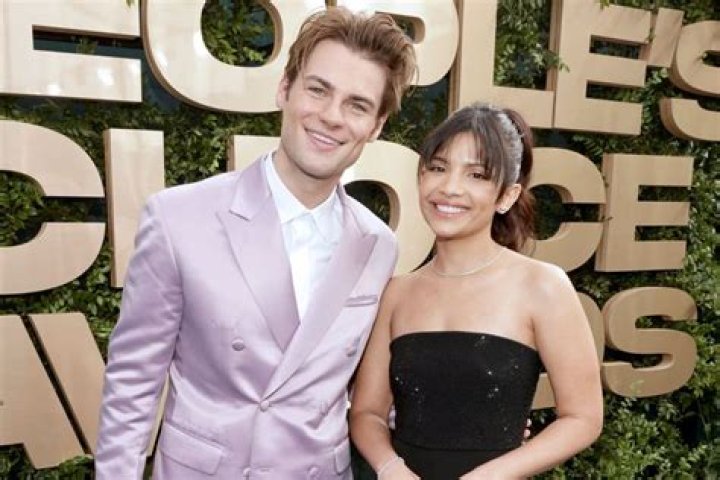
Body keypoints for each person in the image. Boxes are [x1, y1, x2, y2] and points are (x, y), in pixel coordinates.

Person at [94, 7, 416, 479]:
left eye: (357, 105)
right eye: (318, 89)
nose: (331, 117)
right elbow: (132, 387)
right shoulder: (178, 218)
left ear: (377, 125)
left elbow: (368, 390)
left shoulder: (378, 244)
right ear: (285, 89)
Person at [349, 103, 604, 479]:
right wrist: (391, 469)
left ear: (507, 196)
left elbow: (583, 418)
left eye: (477, 175)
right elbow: (366, 413)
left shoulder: (543, 287)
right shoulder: (398, 292)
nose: (450, 188)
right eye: (438, 168)